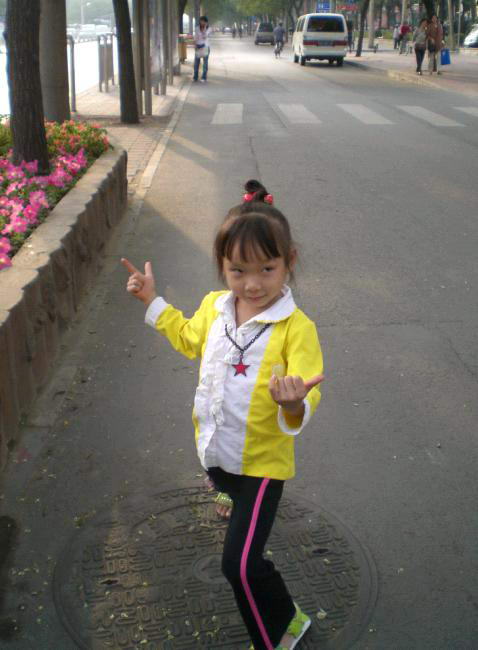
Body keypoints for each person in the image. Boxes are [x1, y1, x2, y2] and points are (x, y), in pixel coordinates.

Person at [122, 185, 324, 650]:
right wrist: (152, 300)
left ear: (289, 261)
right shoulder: (215, 307)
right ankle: (288, 613)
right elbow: (188, 337)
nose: (252, 284)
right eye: (238, 270)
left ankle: (276, 634)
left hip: (261, 467)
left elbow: (309, 388)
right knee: (229, 504)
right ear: (222, 266)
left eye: (266, 269)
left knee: (239, 566)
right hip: (217, 453)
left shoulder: (297, 328)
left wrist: (294, 402)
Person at [193, 15, 211, 83]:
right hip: (198, 47)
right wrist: (195, 45)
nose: (202, 23)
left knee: (205, 63)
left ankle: (204, 77)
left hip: (205, 47)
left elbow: (204, 36)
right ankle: (195, 77)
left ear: (206, 22)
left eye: (203, 21)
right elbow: (195, 37)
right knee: (196, 63)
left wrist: (205, 28)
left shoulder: (209, 29)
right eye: (201, 21)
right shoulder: (197, 28)